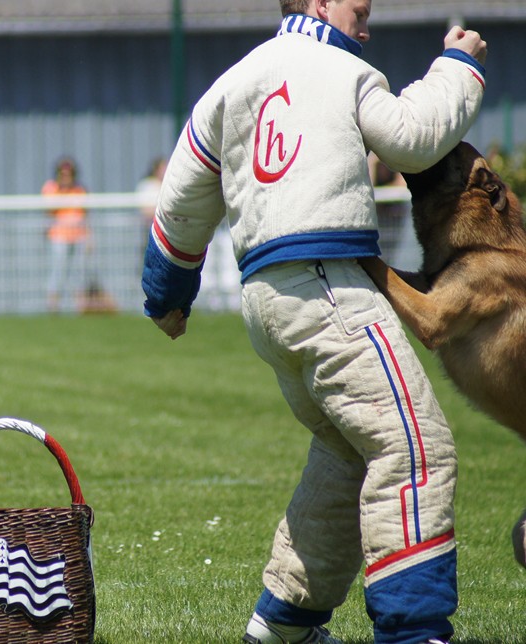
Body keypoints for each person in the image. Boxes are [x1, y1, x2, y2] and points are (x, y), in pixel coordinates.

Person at [140, 1, 487, 643]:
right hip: (330, 286)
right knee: (414, 446)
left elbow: (182, 197)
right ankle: (415, 632)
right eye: (360, 8)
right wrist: (458, 65)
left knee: (347, 451)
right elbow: (414, 137)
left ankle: (283, 625)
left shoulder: (233, 82)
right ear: (322, 2)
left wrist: (167, 292)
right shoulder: (344, 69)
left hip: (266, 302)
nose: (367, 23)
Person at [41, 156, 89, 313]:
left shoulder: (79, 190)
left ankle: (80, 307)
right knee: (58, 271)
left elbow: (84, 214)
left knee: (79, 272)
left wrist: (89, 237)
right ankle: (53, 307)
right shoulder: (50, 188)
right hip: (58, 237)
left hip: (78, 236)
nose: (66, 177)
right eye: (63, 174)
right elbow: (49, 209)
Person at [368, 151, 410, 267]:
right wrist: (374, 162)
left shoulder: (396, 157)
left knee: (388, 256)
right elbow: (369, 185)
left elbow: (402, 184)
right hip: (379, 216)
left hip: (393, 216)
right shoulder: (373, 160)